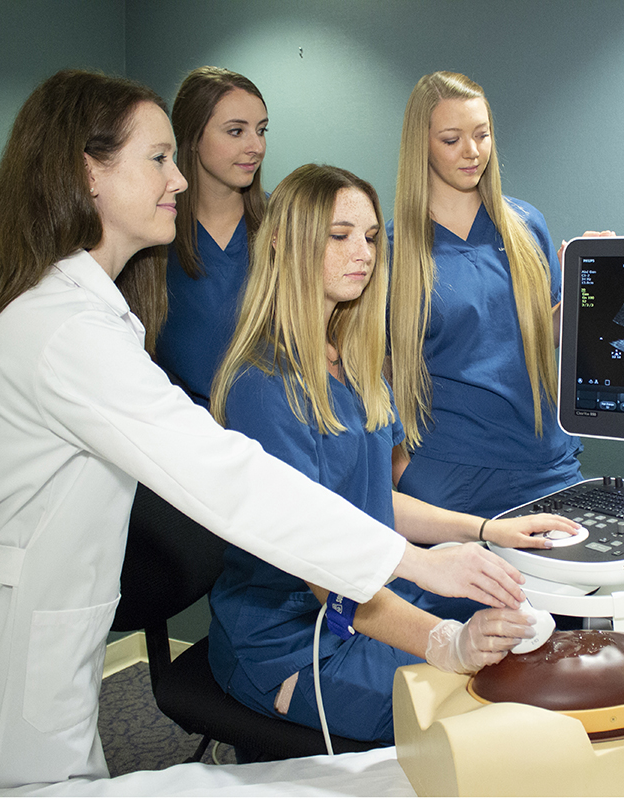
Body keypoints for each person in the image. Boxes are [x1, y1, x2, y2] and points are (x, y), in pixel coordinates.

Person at [0, 71, 530, 791]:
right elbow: (232, 479)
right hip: (24, 649)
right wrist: (415, 569)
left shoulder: (81, 314)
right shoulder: (63, 332)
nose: (178, 179)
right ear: (88, 173)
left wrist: (461, 547)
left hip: (50, 628)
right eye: (159, 158)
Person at [207, 163, 580, 748]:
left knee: (523, 654)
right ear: (285, 241)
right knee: (487, 712)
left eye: (372, 237)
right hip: (295, 639)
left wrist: (489, 529)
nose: (363, 253)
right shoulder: (263, 386)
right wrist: (447, 643)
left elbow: (372, 502)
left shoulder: (350, 362)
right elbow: (320, 568)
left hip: (365, 603)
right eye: (340, 236)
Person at [388, 71, 589, 520]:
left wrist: (586, 284)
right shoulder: (391, 249)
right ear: (421, 143)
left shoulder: (524, 224)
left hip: (543, 462)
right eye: (451, 138)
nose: (472, 151)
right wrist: (402, 469)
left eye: (482, 134)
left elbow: (543, 333)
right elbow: (375, 372)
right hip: (449, 474)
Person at [156, 66, 267, 406]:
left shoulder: (282, 226)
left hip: (269, 430)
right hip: (180, 432)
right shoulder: (153, 236)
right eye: (236, 131)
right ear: (191, 138)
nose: (256, 147)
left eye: (261, 131)